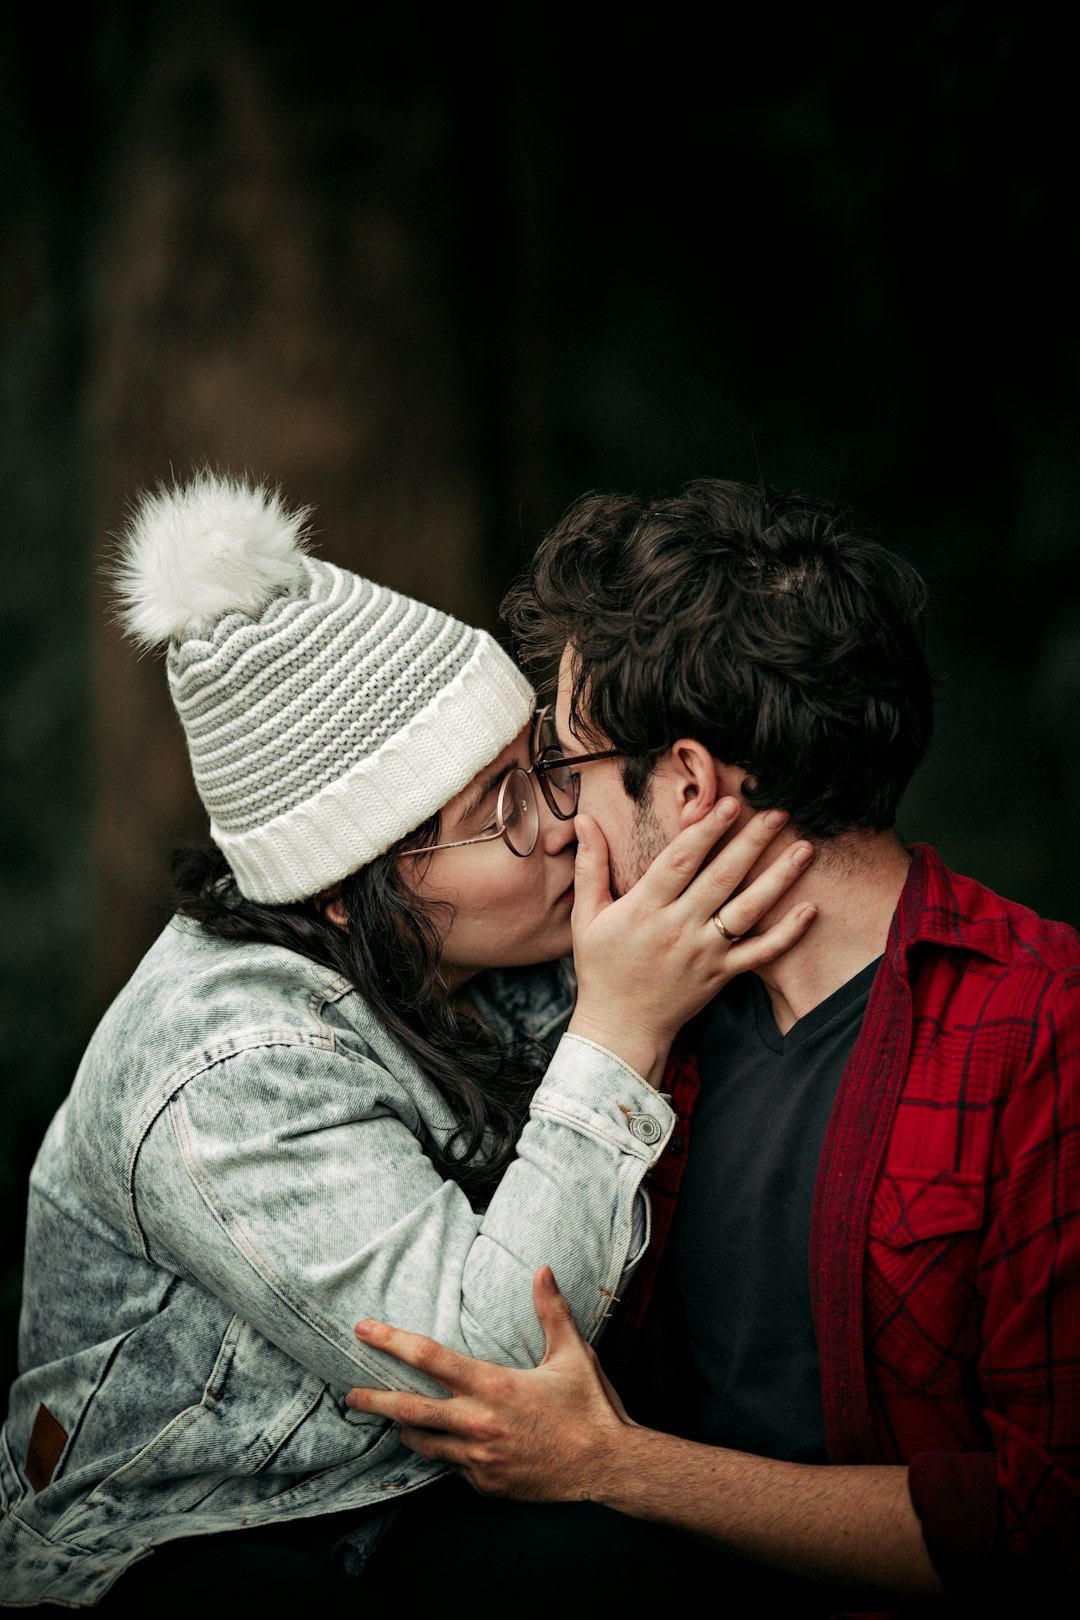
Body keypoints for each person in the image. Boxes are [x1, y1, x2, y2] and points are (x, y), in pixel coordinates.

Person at [0, 472, 818, 1611]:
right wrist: (620, 1028)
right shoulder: (229, 1071)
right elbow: (491, 1375)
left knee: (623, 1576)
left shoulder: (484, 937)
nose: (560, 823)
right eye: (497, 812)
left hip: (391, 1496)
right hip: (187, 1524)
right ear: (348, 890)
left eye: (539, 766)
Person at [345, 478, 1080, 1616]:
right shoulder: (628, 1012)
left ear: (686, 784)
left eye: (570, 770)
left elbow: (1044, 1522)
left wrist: (622, 1469)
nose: (556, 822)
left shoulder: (1042, 1029)